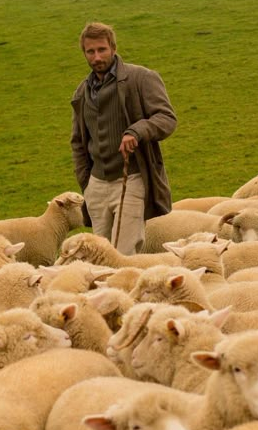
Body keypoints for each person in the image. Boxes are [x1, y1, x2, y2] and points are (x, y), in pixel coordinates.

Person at [70, 21, 177, 255]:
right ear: (85, 53)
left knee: (123, 254)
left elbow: (167, 119)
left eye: (102, 49)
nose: (97, 56)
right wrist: (86, 182)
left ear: (113, 48)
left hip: (131, 179)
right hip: (96, 186)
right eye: (91, 51)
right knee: (97, 256)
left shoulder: (141, 78)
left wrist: (136, 131)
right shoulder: (81, 92)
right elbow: (78, 141)